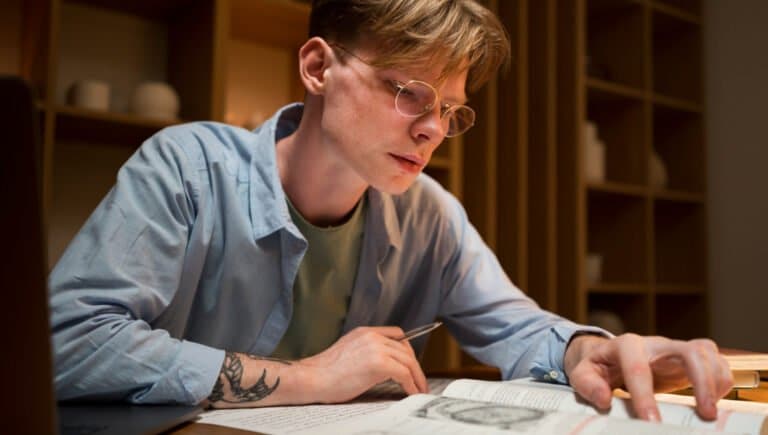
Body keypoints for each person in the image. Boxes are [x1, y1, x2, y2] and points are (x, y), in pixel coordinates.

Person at [49, 0, 732, 422]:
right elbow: (67, 343)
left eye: (450, 110)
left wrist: (594, 349)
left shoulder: (430, 215)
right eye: (411, 92)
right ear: (318, 67)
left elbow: (521, 328)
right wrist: (309, 377)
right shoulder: (188, 166)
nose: (433, 129)